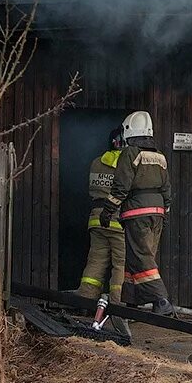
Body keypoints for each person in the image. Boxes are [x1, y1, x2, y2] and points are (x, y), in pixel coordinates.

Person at [103, 110, 175, 316]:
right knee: (141, 256)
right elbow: (167, 188)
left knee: (142, 256)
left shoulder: (130, 153)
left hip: (137, 212)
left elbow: (121, 186)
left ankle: (162, 301)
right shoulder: (159, 156)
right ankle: (132, 300)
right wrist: (165, 212)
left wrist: (108, 211)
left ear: (128, 132)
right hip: (158, 212)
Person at [78, 127, 126, 303]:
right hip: (117, 220)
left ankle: (85, 300)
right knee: (121, 264)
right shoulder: (125, 165)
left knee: (96, 262)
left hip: (96, 219)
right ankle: (118, 304)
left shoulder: (96, 162)